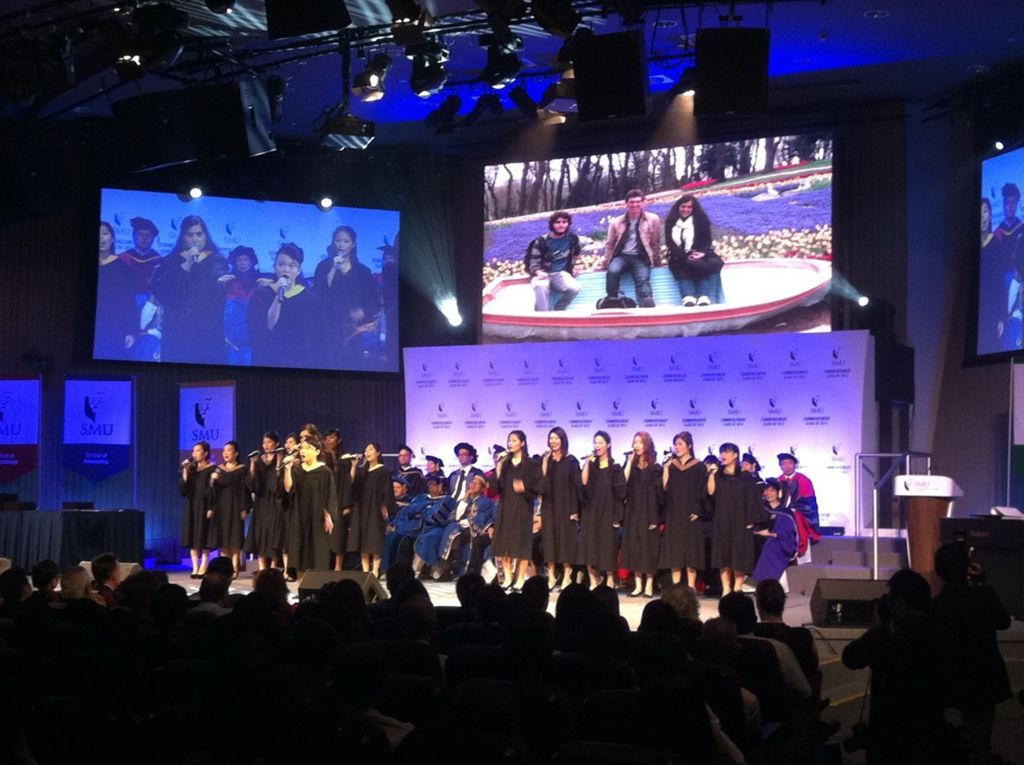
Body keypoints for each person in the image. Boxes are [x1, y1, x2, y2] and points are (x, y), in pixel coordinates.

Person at [841, 569, 957, 765]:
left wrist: (876, 626)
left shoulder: (885, 636)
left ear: (900, 602)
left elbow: (850, 658)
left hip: (888, 739)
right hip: (929, 736)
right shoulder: (942, 635)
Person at [931, 543, 1012, 765]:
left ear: (938, 571)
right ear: (966, 567)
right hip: (983, 680)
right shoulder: (984, 595)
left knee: (951, 745)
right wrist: (980, 585)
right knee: (980, 745)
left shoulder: (936, 607)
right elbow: (1003, 622)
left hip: (949, 683)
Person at [150, 214, 228, 365]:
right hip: (177, 330)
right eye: (190, 235)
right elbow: (162, 292)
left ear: (205, 236)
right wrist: (186, 266)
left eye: (199, 234)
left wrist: (220, 283)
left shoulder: (216, 260)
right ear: (183, 237)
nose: (195, 239)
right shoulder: (170, 261)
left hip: (206, 331)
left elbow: (218, 286)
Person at [313, 225, 381, 367]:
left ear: (353, 244)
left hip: (354, 329)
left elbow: (374, 301)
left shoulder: (363, 271)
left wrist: (362, 312)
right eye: (338, 241)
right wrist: (333, 268)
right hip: (327, 326)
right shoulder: (323, 267)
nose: (341, 245)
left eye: (346, 241)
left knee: (352, 363)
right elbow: (320, 292)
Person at [246, 243, 318, 368]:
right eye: (281, 265)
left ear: (299, 270)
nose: (286, 269)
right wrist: (279, 296)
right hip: (267, 360)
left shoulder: (308, 298)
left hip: (299, 362)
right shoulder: (261, 296)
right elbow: (267, 326)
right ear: (274, 267)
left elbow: (313, 335)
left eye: (292, 265)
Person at [709, 443, 766, 596]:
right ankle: (726, 588)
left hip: (740, 521)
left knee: (739, 555)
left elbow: (753, 499)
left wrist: (751, 520)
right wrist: (712, 474)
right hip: (722, 520)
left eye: (726, 452)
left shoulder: (745, 476)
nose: (723, 455)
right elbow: (710, 493)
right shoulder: (718, 475)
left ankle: (737, 587)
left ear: (735, 455)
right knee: (723, 555)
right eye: (721, 452)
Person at [492, 430, 542, 591]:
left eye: (514, 440)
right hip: (505, 508)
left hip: (522, 508)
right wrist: (497, 468)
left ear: (522, 443)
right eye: (509, 441)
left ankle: (520, 579)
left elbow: (538, 487)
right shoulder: (505, 464)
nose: (510, 444)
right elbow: (495, 489)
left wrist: (524, 488)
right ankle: (507, 578)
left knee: (521, 546)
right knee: (505, 545)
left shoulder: (531, 464)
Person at [659, 431, 708, 589]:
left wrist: (697, 510)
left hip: (691, 514)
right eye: (676, 444)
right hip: (674, 513)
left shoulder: (699, 466)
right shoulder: (672, 466)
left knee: (690, 552)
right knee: (675, 552)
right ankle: (675, 587)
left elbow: (703, 491)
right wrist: (666, 469)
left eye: (680, 444)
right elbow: (665, 488)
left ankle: (691, 586)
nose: (677, 447)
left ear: (689, 446)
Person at [283, 435, 338, 572]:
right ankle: (301, 589)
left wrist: (328, 515)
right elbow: (288, 488)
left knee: (317, 553)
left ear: (317, 452)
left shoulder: (325, 471)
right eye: (302, 448)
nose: (303, 451)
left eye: (308, 448)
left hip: (317, 517)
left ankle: (318, 588)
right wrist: (287, 469)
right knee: (300, 553)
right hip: (299, 516)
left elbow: (330, 495)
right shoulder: (297, 469)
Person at [579, 430, 626, 589]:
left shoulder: (615, 468)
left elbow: (620, 494)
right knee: (590, 546)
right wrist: (586, 463)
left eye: (600, 442)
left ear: (608, 445)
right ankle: (594, 579)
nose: (597, 446)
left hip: (608, 512)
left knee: (608, 546)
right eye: (595, 442)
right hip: (591, 512)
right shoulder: (591, 466)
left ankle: (611, 579)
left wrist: (617, 517)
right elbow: (583, 483)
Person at [601, 188, 661, 307]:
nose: (635, 205)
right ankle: (612, 300)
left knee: (643, 278)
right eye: (632, 202)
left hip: (640, 256)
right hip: (622, 256)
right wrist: (604, 263)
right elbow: (610, 244)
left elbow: (655, 242)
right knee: (613, 271)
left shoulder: (653, 219)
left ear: (643, 203)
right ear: (626, 204)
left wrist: (657, 260)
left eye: (638, 202)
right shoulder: (616, 222)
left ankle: (646, 301)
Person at [621, 431, 662, 598]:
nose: (636, 445)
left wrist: (655, 517)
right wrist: (629, 463)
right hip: (633, 512)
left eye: (639, 442)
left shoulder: (655, 469)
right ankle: (638, 585)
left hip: (649, 513)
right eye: (634, 442)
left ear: (647, 445)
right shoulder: (632, 467)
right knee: (635, 548)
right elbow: (623, 484)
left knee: (648, 549)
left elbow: (658, 496)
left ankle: (649, 585)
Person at [539, 426, 581, 592]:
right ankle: (550, 574)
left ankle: (567, 574)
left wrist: (574, 510)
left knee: (565, 541)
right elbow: (541, 485)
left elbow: (576, 488)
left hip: (566, 505)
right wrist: (543, 463)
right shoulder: (547, 460)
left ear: (563, 440)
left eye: (556, 438)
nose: (553, 442)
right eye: (551, 438)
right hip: (549, 505)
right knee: (549, 540)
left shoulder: (571, 461)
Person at [664, 194, 724, 306]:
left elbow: (707, 241)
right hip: (677, 255)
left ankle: (703, 296)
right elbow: (670, 243)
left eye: (689, 207)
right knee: (683, 266)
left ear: (694, 208)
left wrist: (701, 253)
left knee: (699, 265)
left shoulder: (701, 221)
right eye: (683, 206)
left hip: (698, 253)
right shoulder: (671, 221)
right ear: (678, 207)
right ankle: (688, 297)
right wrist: (684, 255)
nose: (686, 209)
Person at [347, 442, 396, 577]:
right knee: (363, 539)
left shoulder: (383, 471)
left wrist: (385, 506)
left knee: (374, 539)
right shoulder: (362, 471)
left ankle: (375, 571)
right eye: (366, 450)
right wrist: (353, 466)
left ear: (378, 453)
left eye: (371, 449)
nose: (367, 452)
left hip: (375, 508)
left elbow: (387, 491)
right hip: (361, 508)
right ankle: (365, 572)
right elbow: (352, 484)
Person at [206, 440, 251, 577]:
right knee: (223, 539)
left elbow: (245, 489)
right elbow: (211, 492)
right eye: (224, 450)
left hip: (236, 506)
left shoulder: (242, 469)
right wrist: (212, 481)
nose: (225, 453)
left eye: (229, 450)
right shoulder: (218, 469)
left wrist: (244, 508)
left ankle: (235, 568)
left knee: (235, 539)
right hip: (221, 508)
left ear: (236, 453)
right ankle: (225, 568)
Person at [95, 221, 138, 360]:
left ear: (112, 238)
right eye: (98, 234)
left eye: (105, 233)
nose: (101, 238)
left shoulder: (122, 268)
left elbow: (129, 302)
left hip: (115, 328)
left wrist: (131, 331)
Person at [526, 210, 582, 311]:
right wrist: (538, 272)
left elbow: (576, 254)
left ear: (568, 224)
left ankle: (559, 309)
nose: (561, 225)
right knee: (541, 287)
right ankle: (541, 317)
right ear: (552, 225)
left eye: (564, 222)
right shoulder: (541, 241)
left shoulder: (572, 238)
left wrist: (573, 266)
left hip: (560, 274)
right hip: (543, 274)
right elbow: (533, 262)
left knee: (574, 288)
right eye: (558, 222)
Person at [245, 431, 285, 571]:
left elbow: (279, 483)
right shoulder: (259, 459)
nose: (266, 445)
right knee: (261, 533)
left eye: (269, 442)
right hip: (261, 502)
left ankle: (274, 567)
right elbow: (252, 484)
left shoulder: (281, 458)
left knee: (273, 532)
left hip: (275, 502)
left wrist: (279, 461)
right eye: (264, 443)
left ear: (277, 443)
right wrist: (253, 464)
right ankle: (262, 567)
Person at [180, 440, 216, 579]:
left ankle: (204, 565)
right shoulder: (192, 469)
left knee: (205, 535)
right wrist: (186, 470)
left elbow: (213, 491)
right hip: (192, 506)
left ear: (206, 453)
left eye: (197, 451)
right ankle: (195, 567)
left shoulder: (212, 469)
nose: (194, 453)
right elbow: (183, 490)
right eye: (193, 451)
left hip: (205, 506)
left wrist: (211, 507)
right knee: (192, 536)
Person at [751, 478, 798, 584]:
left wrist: (773, 534)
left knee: (770, 544)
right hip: (757, 538)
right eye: (766, 490)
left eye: (772, 490)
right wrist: (756, 531)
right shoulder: (760, 508)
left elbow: (789, 533)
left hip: (778, 540)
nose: (768, 493)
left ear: (778, 492)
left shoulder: (785, 512)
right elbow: (754, 525)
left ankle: (766, 581)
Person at [222, 245, 259, 365]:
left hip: (251, 341)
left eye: (246, 259)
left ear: (252, 262)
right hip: (230, 341)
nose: (242, 263)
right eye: (239, 260)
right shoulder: (227, 281)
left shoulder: (259, 283)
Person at [776, 451, 822, 544]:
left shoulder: (803, 480)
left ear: (795, 465)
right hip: (782, 519)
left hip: (799, 519)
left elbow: (809, 504)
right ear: (780, 466)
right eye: (784, 464)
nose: (787, 466)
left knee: (800, 543)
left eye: (790, 463)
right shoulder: (777, 481)